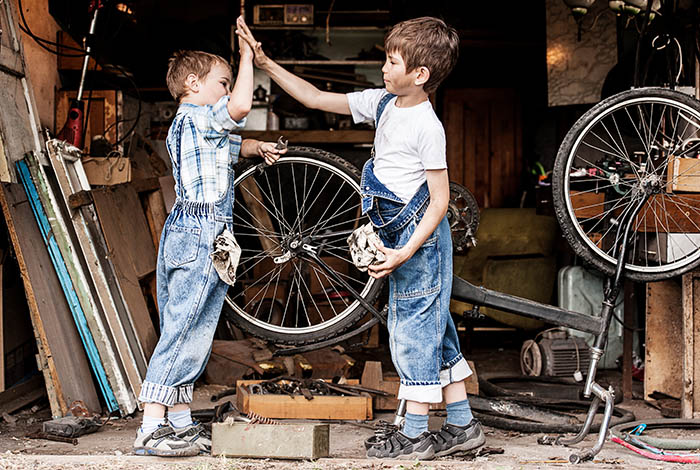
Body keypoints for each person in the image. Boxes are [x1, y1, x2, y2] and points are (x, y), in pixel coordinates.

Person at [237, 16, 485, 460]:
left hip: (418, 240)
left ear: (420, 75)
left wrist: (404, 251)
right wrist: (265, 64)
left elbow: (440, 201)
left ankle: (413, 433)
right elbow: (314, 96)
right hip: (397, 234)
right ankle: (463, 426)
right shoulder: (385, 103)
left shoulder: (428, 127)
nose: (384, 69)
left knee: (411, 333)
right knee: (436, 331)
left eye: (392, 62)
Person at [133, 16, 286, 457]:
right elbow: (238, 109)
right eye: (221, 83)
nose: (227, 90)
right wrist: (245, 58)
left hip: (210, 231)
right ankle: (150, 424)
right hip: (200, 230)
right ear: (195, 84)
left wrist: (256, 148)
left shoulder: (201, 126)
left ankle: (178, 421)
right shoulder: (196, 117)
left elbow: (229, 143)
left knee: (199, 327)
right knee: (181, 328)